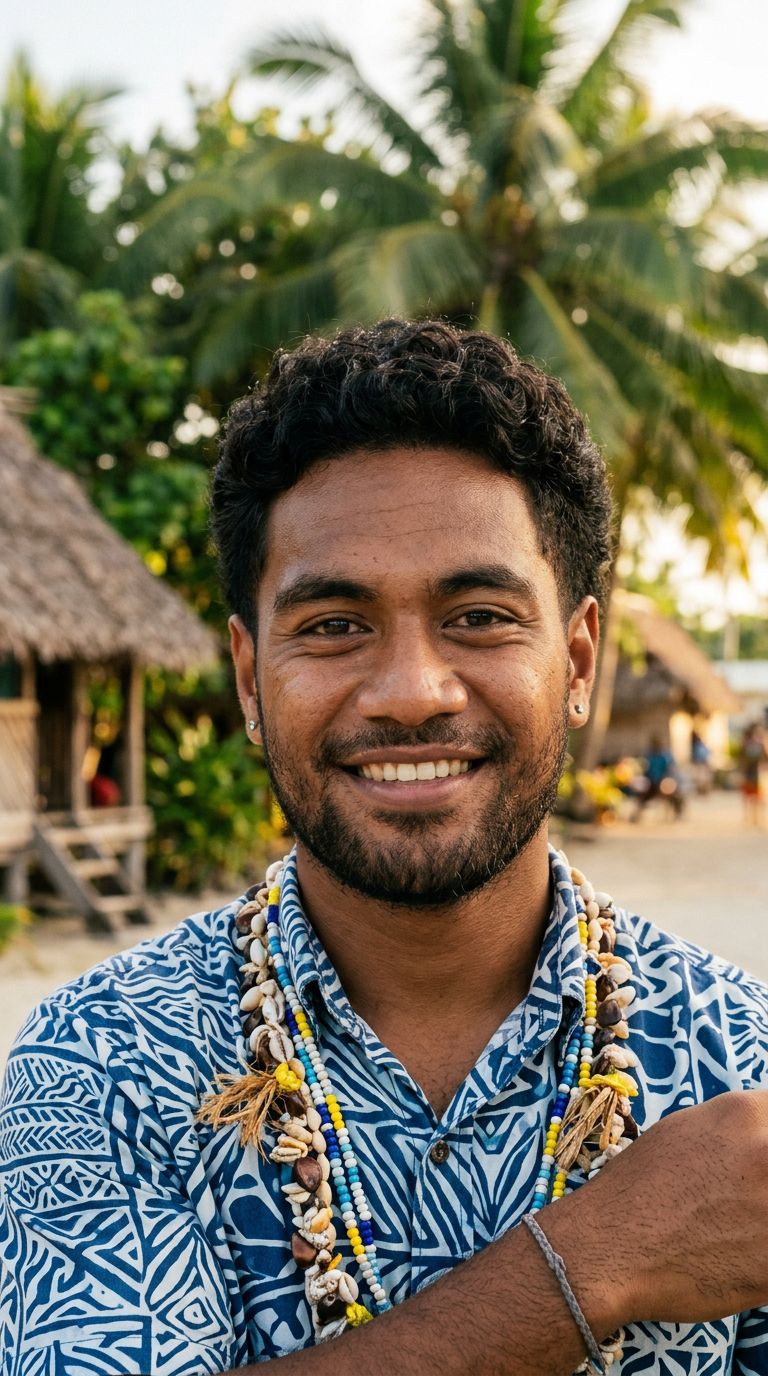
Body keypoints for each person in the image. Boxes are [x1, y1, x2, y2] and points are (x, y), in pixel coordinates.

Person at [3, 320, 768, 1376]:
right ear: (248, 679)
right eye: (333, 625)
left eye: (481, 616)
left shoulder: (740, 1063)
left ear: (581, 660)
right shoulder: (105, 1064)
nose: (412, 692)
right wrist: (597, 1260)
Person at [739, 721, 768, 827]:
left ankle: (753, 818)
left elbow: (741, 759)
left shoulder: (747, 744)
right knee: (754, 796)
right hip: (753, 773)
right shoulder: (756, 744)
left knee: (753, 797)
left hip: (753, 773)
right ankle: (754, 818)